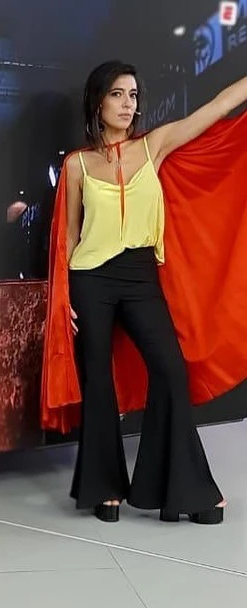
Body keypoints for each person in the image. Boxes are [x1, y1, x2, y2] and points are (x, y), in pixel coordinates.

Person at [41, 60, 247, 524]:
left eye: (133, 95)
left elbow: (218, 107)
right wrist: (64, 299)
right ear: (98, 102)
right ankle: (105, 489)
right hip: (90, 279)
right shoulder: (77, 164)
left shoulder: (154, 146)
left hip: (139, 277)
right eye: (117, 94)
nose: (127, 104)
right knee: (98, 382)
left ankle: (186, 490)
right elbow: (69, 238)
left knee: (171, 371)